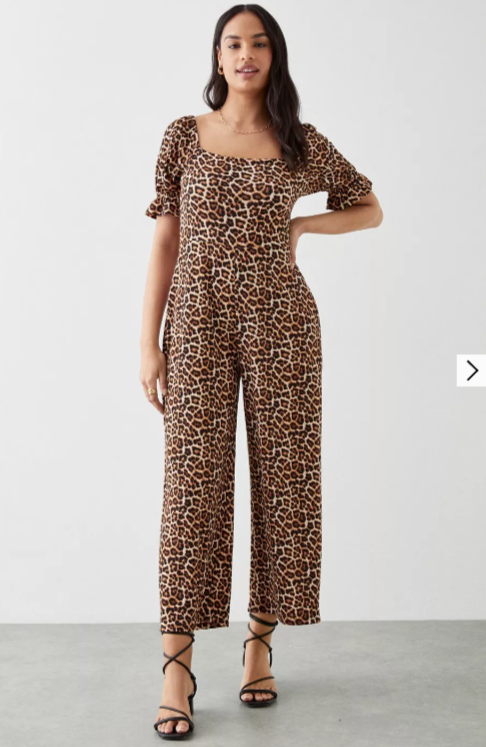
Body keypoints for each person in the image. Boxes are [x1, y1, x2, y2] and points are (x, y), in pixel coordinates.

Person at [140, 4, 383, 740]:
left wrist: (305, 223)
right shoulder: (184, 136)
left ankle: (259, 646)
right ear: (217, 58)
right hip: (197, 324)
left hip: (283, 322)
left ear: (274, 56)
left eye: (259, 43)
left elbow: (368, 206)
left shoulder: (299, 142)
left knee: (284, 480)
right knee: (192, 488)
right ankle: (176, 667)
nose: (245, 54)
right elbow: (165, 241)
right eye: (232, 43)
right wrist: (149, 343)